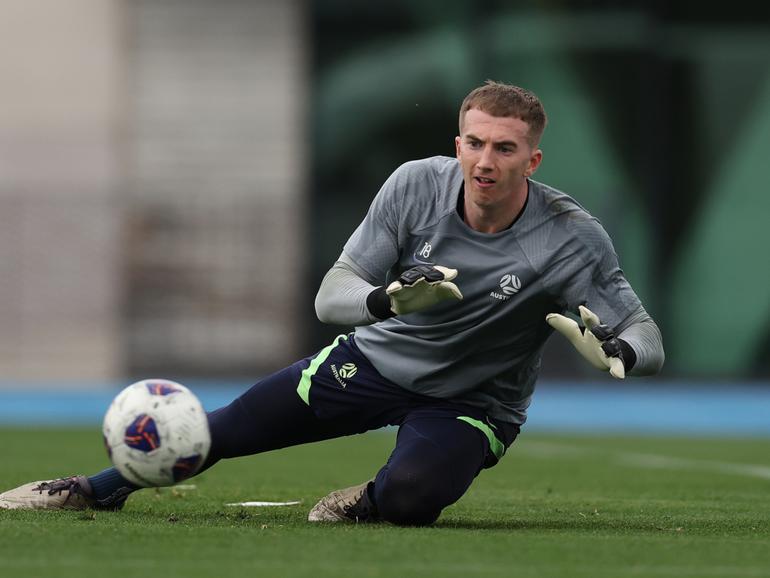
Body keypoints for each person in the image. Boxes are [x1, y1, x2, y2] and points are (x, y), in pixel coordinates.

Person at [0, 81, 664, 525]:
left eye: (504, 148)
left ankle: (366, 502)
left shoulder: (569, 238)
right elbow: (331, 295)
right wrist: (386, 300)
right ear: (458, 140)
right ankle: (91, 490)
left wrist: (620, 351)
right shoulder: (413, 185)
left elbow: (643, 333)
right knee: (217, 430)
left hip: (472, 403)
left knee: (410, 499)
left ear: (533, 159)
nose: (484, 159)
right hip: (372, 363)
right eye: (473, 141)